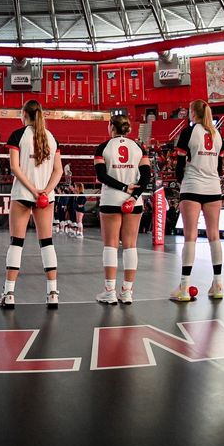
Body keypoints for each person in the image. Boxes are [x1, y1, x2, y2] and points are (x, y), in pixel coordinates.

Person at [0, 99, 62, 309]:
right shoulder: (51, 138)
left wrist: (32, 190)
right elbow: (58, 170)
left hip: (23, 194)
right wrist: (45, 190)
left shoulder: (18, 135)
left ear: (24, 114)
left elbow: (15, 167)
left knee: (16, 242)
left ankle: (9, 294)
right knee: (47, 243)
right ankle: (53, 293)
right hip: (46, 197)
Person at [172, 99, 224, 301]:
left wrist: (182, 182)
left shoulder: (188, 132)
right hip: (213, 188)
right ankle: (218, 284)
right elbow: (219, 168)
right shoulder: (217, 134)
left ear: (193, 113)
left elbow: (179, 166)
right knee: (214, 236)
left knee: (190, 236)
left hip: (192, 187)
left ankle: (184, 287)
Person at [95, 114, 150, 304]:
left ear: (111, 126)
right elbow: (146, 177)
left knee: (110, 244)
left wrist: (123, 188)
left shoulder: (103, 147)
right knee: (130, 246)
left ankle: (109, 291)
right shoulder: (138, 147)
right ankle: (127, 292)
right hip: (133, 202)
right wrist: (133, 195)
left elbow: (102, 176)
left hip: (111, 199)